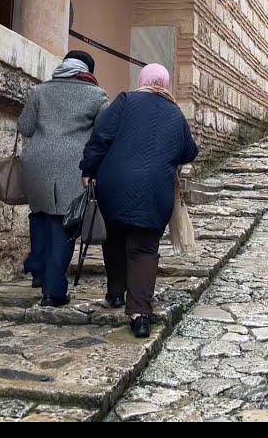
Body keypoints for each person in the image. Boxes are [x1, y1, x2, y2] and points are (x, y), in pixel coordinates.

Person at [80, 64, 198, 338]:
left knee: (114, 238)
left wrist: (88, 169)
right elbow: (189, 151)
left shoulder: (125, 101)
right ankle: (140, 314)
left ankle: (115, 293)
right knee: (144, 248)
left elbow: (101, 136)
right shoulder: (174, 113)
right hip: (155, 189)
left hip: (114, 183)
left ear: (142, 80)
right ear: (165, 84)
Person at [18, 50, 109, 307]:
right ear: (88, 70)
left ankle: (38, 268)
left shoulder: (40, 91)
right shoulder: (97, 96)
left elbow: (24, 127)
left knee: (40, 214)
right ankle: (54, 291)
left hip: (36, 163)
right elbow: (104, 135)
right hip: (74, 167)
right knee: (64, 225)